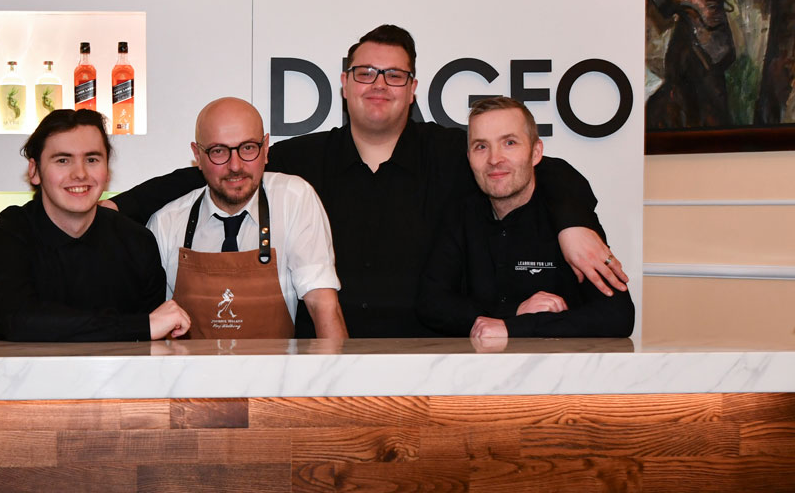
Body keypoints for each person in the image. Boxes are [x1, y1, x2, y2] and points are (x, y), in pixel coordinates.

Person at [111, 24, 628, 338]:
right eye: (364, 72)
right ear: (343, 82)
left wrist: (574, 224)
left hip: (437, 355)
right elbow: (216, 168)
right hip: (323, 358)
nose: (378, 85)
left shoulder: (452, 151)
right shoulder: (306, 156)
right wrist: (112, 208)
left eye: (393, 75)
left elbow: (540, 167)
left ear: (412, 88)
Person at [416, 97, 634, 339]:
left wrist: (513, 327)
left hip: (560, 371)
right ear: (469, 158)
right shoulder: (461, 213)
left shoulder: (568, 219)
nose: (494, 159)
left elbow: (618, 316)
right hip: (475, 372)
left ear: (536, 152)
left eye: (509, 142)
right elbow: (431, 303)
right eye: (481, 146)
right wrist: (512, 313)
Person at [0, 108, 189, 341]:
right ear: (35, 171)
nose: (79, 174)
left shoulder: (137, 242)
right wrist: (140, 326)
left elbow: (151, 345)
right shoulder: (7, 235)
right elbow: (19, 322)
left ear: (107, 170)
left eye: (91, 159)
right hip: (28, 378)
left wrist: (142, 327)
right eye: (63, 160)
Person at [147, 97, 346, 340]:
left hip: (279, 376)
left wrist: (339, 376)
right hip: (191, 377)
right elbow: (152, 329)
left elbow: (324, 307)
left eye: (248, 148)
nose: (235, 166)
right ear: (197, 155)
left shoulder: (293, 199)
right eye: (219, 151)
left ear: (265, 149)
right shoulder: (166, 224)